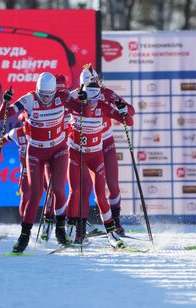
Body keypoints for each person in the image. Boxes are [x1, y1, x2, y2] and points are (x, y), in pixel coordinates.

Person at [0, 72, 80, 253]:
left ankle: (60, 230)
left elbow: (81, 107)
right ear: (37, 90)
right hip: (35, 151)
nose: (45, 99)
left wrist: (82, 99)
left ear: (54, 92)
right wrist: (6, 101)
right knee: (35, 195)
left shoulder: (62, 97)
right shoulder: (29, 99)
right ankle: (24, 236)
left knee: (59, 190)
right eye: (42, 95)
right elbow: (4, 115)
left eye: (48, 95)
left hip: (58, 150)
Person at [62, 80, 135, 248]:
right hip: (76, 154)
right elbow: (65, 109)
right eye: (90, 100)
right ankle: (75, 233)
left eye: (96, 100)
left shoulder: (102, 106)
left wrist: (123, 112)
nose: (93, 104)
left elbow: (129, 122)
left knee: (101, 195)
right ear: (84, 96)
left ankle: (112, 233)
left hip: (96, 155)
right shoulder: (76, 104)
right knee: (76, 192)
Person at [78, 64, 130, 235]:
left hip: (105, 143)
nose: (94, 93)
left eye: (96, 86)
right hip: (88, 147)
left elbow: (131, 111)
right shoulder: (76, 96)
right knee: (89, 189)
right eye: (89, 88)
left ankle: (116, 221)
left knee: (113, 185)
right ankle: (81, 225)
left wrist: (122, 108)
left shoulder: (106, 94)